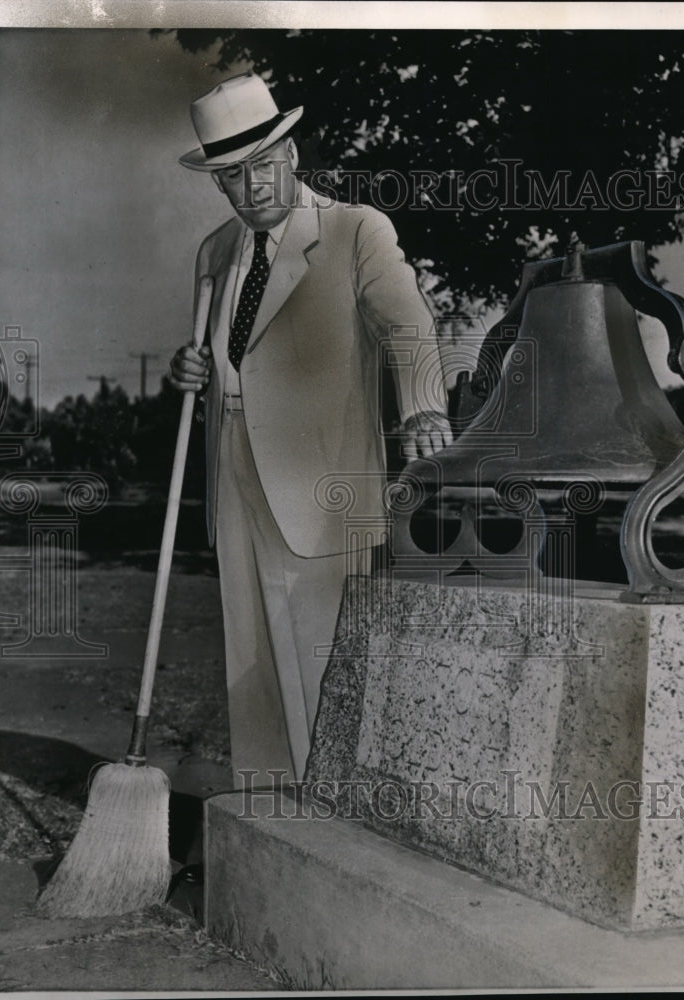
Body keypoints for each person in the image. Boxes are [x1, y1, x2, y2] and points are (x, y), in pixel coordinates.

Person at [169, 71, 451, 785]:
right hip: (232, 470)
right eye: (232, 176)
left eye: (263, 164)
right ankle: (265, 816)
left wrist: (422, 405)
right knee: (252, 657)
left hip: (322, 481)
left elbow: (408, 324)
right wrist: (191, 370)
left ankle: (328, 820)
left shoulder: (355, 229)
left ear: (291, 154)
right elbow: (227, 355)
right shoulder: (212, 254)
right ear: (217, 185)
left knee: (324, 658)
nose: (252, 186)